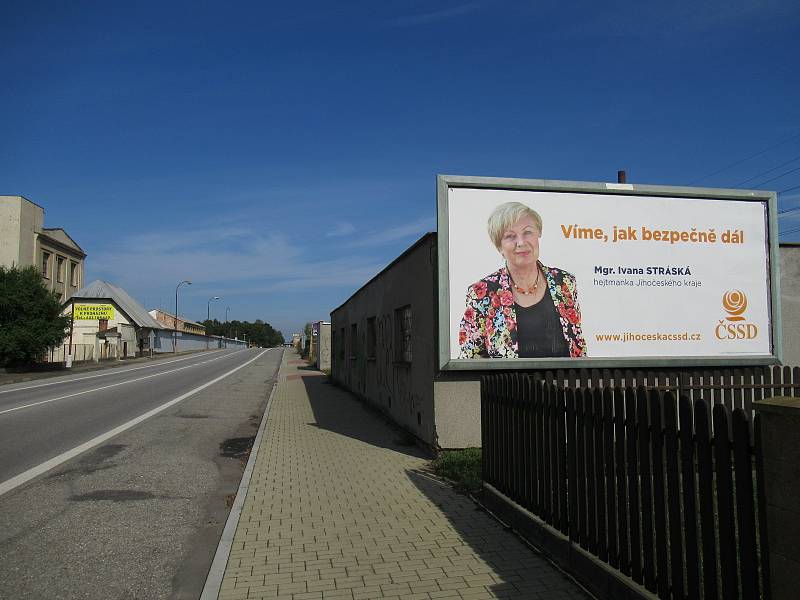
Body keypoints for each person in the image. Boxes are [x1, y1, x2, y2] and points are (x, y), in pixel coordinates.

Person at [458, 201, 587, 358]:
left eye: (527, 232)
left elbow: (578, 347)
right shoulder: (481, 293)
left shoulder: (565, 282)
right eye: (510, 236)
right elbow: (470, 360)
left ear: (538, 234)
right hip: (509, 383)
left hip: (564, 382)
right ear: (500, 247)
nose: (521, 242)